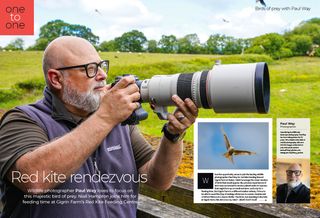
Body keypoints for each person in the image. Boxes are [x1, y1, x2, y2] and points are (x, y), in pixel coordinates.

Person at [0, 36, 198, 218]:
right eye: (90, 69)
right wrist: (105, 117)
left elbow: (158, 180)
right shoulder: (23, 119)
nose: (103, 75)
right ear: (56, 79)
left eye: (102, 66)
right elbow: (34, 179)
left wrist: (173, 135)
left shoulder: (120, 123)